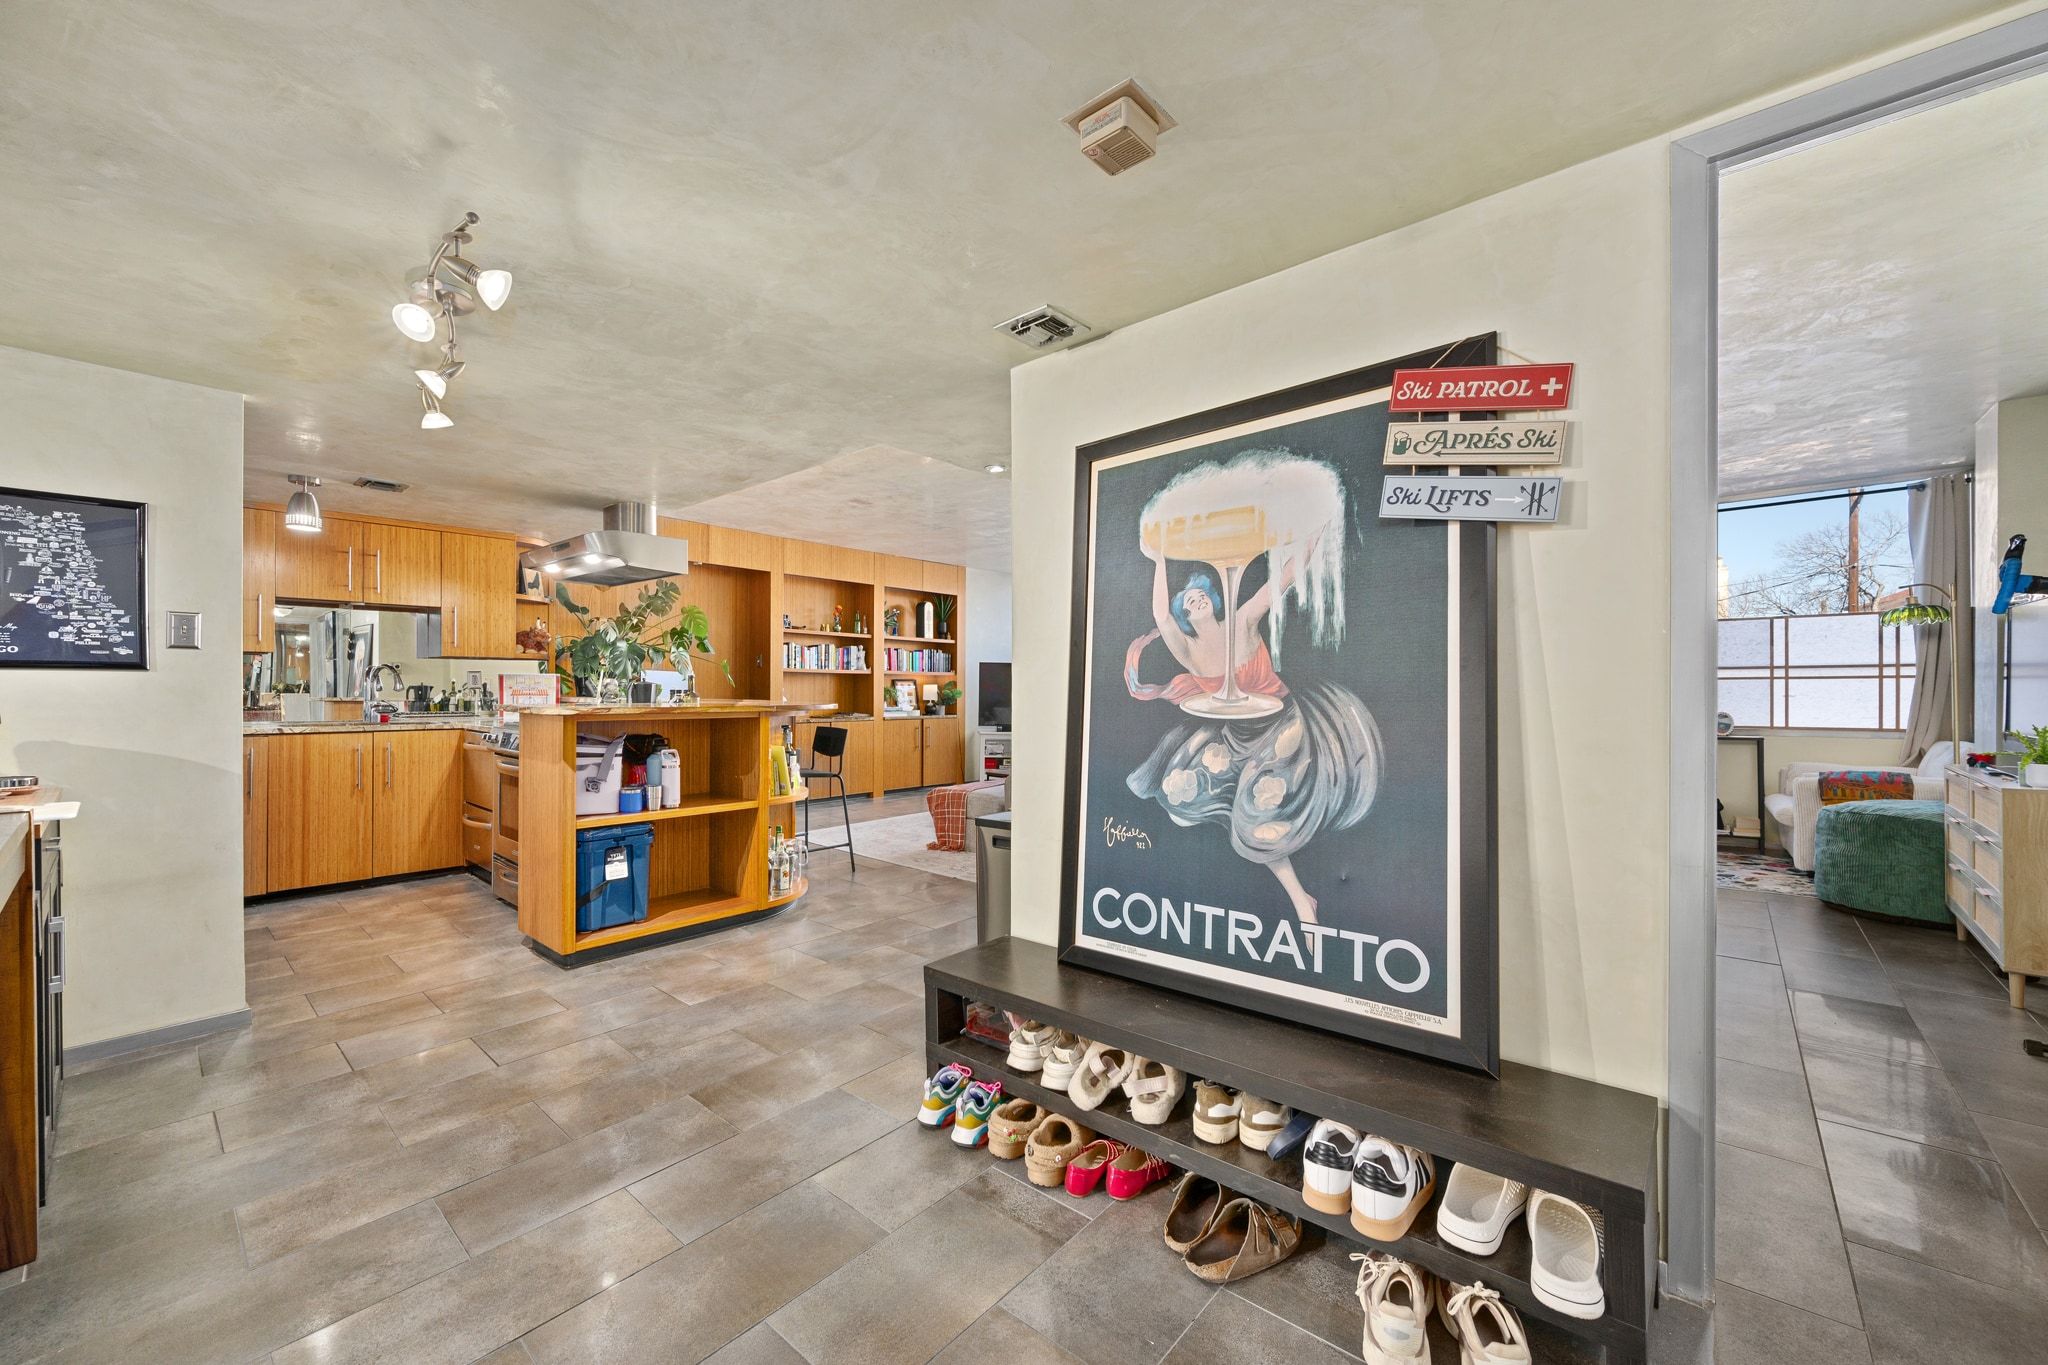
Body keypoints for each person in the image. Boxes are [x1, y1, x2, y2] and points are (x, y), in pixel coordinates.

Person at [1124, 527, 1381, 926]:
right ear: (1187, 618)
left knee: (1256, 816)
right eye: (1188, 602)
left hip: (1281, 727)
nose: (1196, 600)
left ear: (1213, 601)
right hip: (1235, 736)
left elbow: (1282, 581)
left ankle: (1300, 902)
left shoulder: (1242, 621)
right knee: (1184, 793)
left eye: (1201, 595)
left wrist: (1311, 537)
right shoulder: (1187, 650)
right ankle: (1298, 898)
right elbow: (1160, 614)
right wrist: (1158, 561)